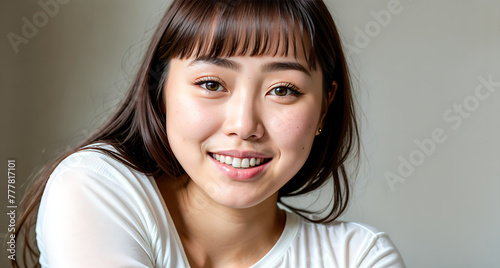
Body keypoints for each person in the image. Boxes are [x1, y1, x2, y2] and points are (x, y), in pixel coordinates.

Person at [13, 0, 406, 267]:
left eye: (283, 90)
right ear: (160, 88)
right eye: (212, 84)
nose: (244, 126)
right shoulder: (96, 187)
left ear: (324, 104)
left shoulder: (357, 257)